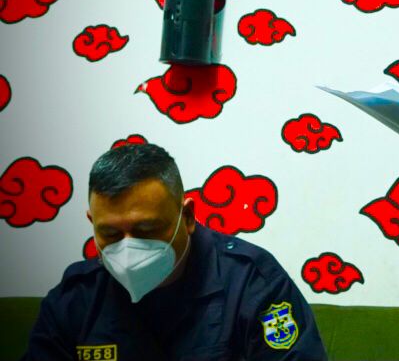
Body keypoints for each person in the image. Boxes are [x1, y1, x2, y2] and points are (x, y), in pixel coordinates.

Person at [22, 144, 327, 360]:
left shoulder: (252, 282)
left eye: (147, 229)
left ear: (188, 217)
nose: (127, 249)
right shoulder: (75, 298)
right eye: (110, 234)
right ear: (92, 222)